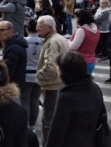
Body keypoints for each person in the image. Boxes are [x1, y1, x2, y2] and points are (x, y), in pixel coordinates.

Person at [46, 51, 104, 147]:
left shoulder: (66, 97)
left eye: (58, 67)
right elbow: (101, 116)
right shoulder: (94, 87)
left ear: (65, 72)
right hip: (91, 140)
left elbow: (57, 132)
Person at [35, 15, 68, 145]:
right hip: (58, 84)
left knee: (48, 121)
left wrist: (39, 78)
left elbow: (50, 67)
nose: (37, 29)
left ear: (49, 28)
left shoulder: (52, 41)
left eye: (40, 26)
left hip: (52, 86)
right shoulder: (58, 38)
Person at [21, 18, 42, 131]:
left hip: (26, 74)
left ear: (27, 29)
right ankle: (32, 125)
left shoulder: (23, 41)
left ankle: (25, 125)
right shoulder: (43, 41)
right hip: (39, 74)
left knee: (25, 100)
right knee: (35, 100)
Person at [0, 21, 28, 90]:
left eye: (2, 30)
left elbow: (7, 71)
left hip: (11, 88)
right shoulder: (11, 45)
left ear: (11, 31)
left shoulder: (14, 48)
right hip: (14, 86)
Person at [68, 9, 100, 76]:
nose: (75, 20)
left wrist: (68, 42)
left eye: (76, 18)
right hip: (91, 60)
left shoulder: (82, 30)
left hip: (80, 61)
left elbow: (73, 46)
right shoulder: (96, 29)